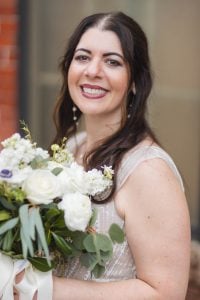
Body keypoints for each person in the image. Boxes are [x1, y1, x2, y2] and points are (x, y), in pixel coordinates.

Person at [15, 11, 190, 299]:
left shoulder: (148, 171)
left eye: (112, 61)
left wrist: (43, 289)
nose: (93, 71)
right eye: (83, 57)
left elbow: (165, 293)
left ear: (135, 81)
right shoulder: (73, 146)